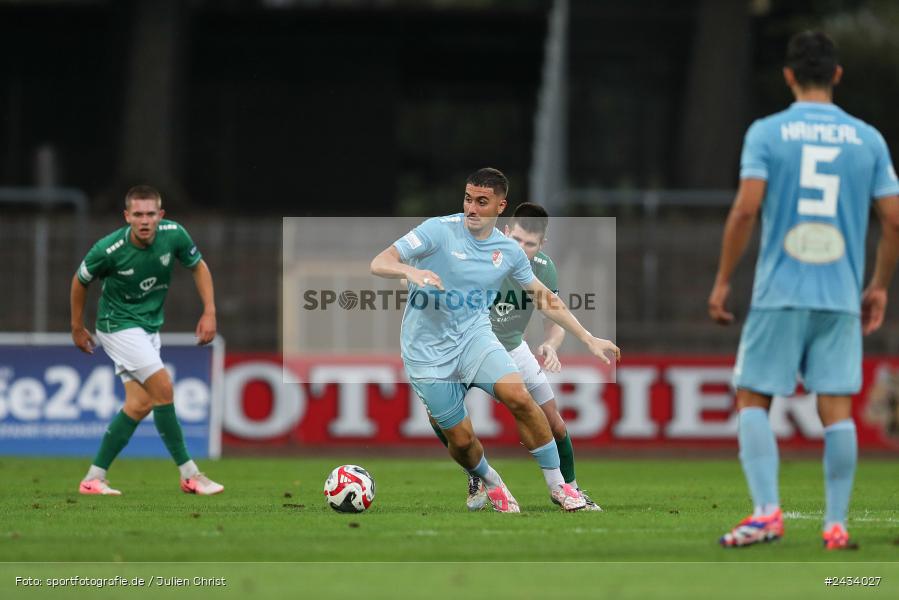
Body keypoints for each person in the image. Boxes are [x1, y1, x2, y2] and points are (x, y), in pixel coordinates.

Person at [708, 31, 899, 549]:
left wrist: (723, 279)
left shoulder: (767, 133)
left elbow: (746, 210)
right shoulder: (869, 139)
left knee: (753, 397)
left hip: (781, 291)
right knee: (836, 410)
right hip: (840, 296)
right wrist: (878, 286)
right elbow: (893, 220)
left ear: (789, 76)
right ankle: (835, 525)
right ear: (837, 75)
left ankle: (767, 515)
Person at [371, 167, 619, 512]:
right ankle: (490, 480)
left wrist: (588, 338)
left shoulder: (509, 252)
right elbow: (380, 261)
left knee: (520, 397)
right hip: (426, 352)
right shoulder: (438, 230)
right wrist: (410, 270)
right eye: (468, 199)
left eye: (481, 202)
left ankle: (560, 487)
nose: (471, 208)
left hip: (475, 337)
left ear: (500, 206)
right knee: (461, 440)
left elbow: (545, 298)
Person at [428, 202, 601, 511]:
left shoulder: (543, 268)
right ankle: (475, 475)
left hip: (512, 347)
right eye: (516, 239)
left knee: (554, 423)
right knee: (438, 416)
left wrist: (551, 344)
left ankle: (570, 489)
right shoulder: (476, 256)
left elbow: (553, 319)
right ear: (505, 231)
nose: (521, 248)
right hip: (466, 346)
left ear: (541, 244)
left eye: (530, 244)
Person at [71, 185, 224, 496]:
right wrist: (77, 326)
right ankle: (190, 475)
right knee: (163, 388)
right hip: (117, 325)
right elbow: (80, 280)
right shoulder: (109, 249)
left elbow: (198, 266)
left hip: (147, 327)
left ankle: (93, 479)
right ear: (127, 216)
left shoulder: (174, 234)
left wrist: (209, 311)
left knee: (139, 404)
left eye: (150, 214)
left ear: (160, 215)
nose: (144, 220)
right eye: (138, 214)